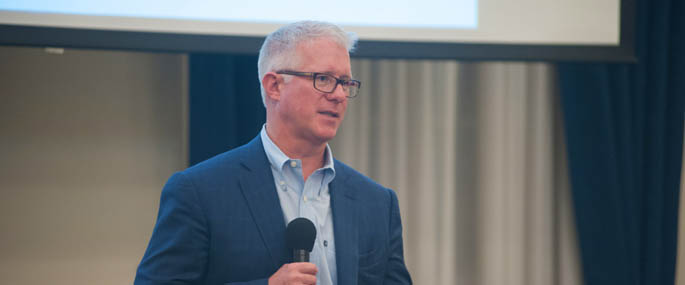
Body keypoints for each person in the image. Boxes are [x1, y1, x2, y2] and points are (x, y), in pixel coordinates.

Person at [135, 20, 412, 285]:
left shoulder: (376, 203)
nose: (339, 94)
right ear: (275, 86)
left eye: (345, 83)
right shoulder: (199, 192)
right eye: (324, 79)